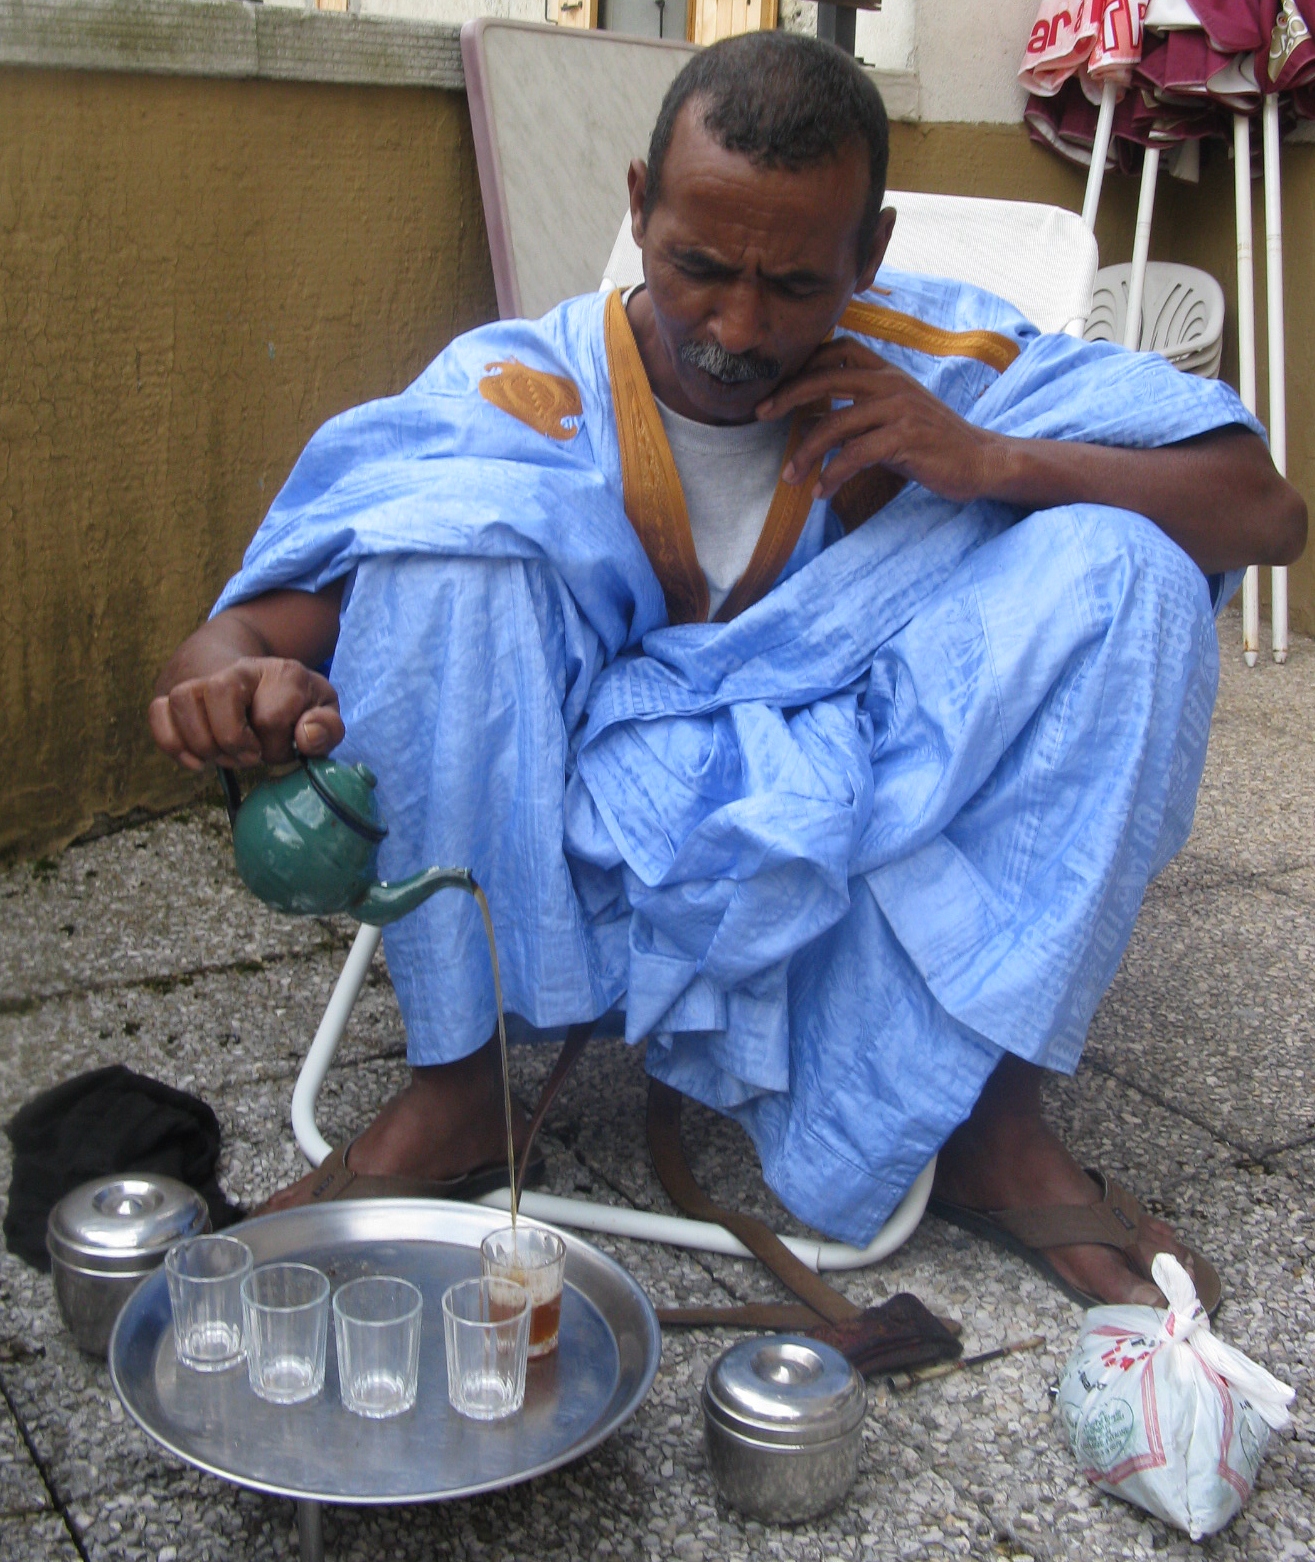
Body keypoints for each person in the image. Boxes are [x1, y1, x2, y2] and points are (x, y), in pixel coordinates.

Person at [150, 33, 1305, 1311]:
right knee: (444, 553)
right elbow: (242, 638)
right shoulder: (521, 387)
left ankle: (991, 1125)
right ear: (638, 202)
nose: (737, 327)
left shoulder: (948, 359)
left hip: (866, 775)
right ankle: (459, 1092)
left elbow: (1261, 513)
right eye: (696, 266)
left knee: (1125, 570)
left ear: (868, 255)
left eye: (795, 283)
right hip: (586, 795)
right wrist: (226, 685)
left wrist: (986, 460)